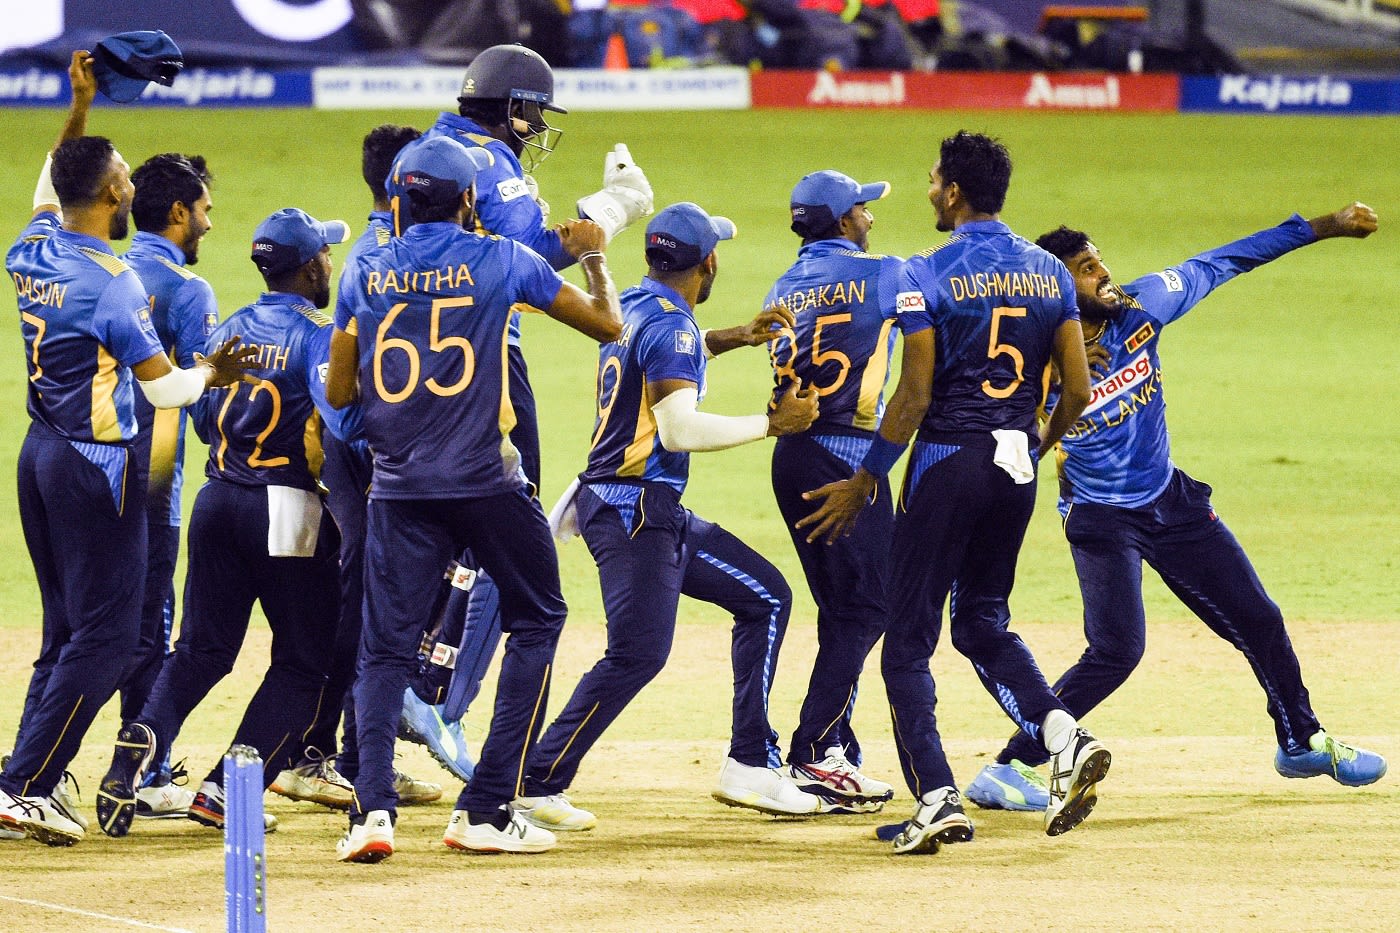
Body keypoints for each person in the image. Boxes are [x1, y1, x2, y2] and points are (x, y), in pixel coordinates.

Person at [962, 203, 1387, 811]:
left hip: (1170, 499)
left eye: (1099, 257)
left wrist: (1323, 226)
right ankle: (1012, 767)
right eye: (1087, 267)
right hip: (1102, 517)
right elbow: (1008, 446)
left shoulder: (1141, 309)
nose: (1104, 272)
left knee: (1261, 620)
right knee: (1117, 650)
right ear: (1056, 287)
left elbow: (1222, 262)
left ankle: (1301, 740)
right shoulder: (1027, 361)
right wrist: (1059, 389)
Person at [799, 131, 1105, 854]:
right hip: (1016, 466)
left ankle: (936, 797)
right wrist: (1036, 441)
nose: (930, 190)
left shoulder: (926, 271)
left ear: (956, 192)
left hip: (946, 464)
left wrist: (867, 476)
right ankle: (1064, 735)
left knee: (906, 643)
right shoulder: (1048, 271)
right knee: (982, 623)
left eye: (934, 180)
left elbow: (912, 394)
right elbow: (1078, 387)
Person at [326, 135, 623, 861]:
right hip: (488, 483)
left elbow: (338, 392)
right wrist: (591, 252)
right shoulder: (502, 259)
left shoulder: (364, 270)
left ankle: (371, 814)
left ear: (398, 199)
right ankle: (485, 807)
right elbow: (608, 325)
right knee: (540, 616)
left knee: (383, 650)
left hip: (398, 489)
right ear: (467, 201)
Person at [0, 50, 251, 847]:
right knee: (109, 639)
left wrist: (80, 106)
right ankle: (22, 785)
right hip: (96, 465)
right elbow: (166, 390)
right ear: (114, 197)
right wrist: (216, 367)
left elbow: (52, 180)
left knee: (66, 631)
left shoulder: (32, 245)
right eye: (123, 178)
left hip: (38, 454)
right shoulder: (113, 283)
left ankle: (26, 772)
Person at [514, 202, 823, 834]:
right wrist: (773, 424)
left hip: (642, 507)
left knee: (765, 596)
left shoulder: (636, 305)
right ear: (707, 262)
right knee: (638, 653)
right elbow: (678, 430)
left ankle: (749, 762)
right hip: (634, 511)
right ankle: (536, 780)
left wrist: (731, 337)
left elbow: (663, 355)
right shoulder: (672, 328)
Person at [393, 43, 655, 752]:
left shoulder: (422, 152)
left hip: (404, 365)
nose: (536, 128)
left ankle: (392, 700)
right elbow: (527, 258)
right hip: (485, 363)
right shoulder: (492, 166)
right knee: (506, 528)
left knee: (416, 534)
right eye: (533, 113)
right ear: (510, 108)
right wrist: (610, 216)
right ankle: (441, 701)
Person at [96, 207, 353, 838]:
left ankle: (140, 743)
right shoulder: (317, 337)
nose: (331, 262)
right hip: (285, 509)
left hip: (216, 502)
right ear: (312, 265)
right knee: (304, 662)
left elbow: (206, 419)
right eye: (325, 253)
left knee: (202, 649)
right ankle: (222, 789)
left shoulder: (234, 324)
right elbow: (344, 425)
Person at [269, 124, 446, 811]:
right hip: (380, 454)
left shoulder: (373, 254)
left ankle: (351, 750)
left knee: (378, 598)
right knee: (373, 601)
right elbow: (346, 383)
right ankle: (329, 752)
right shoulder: (389, 256)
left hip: (362, 451)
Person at [763, 170, 903, 812]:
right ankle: (815, 752)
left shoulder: (784, 283)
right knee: (869, 607)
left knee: (841, 608)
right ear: (845, 220)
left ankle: (835, 751)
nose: (871, 217)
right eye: (863, 209)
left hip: (791, 456)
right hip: (846, 458)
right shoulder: (886, 273)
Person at [120, 152, 219, 821]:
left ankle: (30, 769)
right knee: (150, 628)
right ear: (179, 213)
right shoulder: (187, 289)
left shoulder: (106, 268)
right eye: (206, 209)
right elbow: (206, 397)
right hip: (153, 478)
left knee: (81, 624)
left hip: (78, 463)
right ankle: (146, 773)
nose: (211, 221)